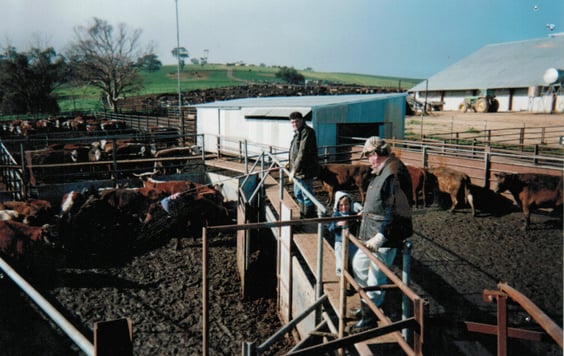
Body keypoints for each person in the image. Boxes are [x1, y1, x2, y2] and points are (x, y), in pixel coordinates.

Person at [349, 136, 413, 333]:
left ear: (375, 154)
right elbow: (381, 200)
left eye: (368, 156)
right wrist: (365, 211)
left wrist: (382, 236)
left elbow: (395, 209)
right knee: (359, 264)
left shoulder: (394, 173)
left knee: (376, 278)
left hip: (385, 236)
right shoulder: (383, 171)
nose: (368, 160)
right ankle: (367, 304)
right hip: (370, 230)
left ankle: (369, 317)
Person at [288, 111, 320, 219]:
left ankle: (309, 217)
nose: (295, 124)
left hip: (305, 170)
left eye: (296, 121)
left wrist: (293, 170)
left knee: (307, 195)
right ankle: (303, 214)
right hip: (298, 171)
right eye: (292, 122)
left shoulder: (307, 132)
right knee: (298, 194)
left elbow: (302, 152)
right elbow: (294, 152)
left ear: (302, 120)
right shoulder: (298, 133)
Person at [327, 191, 362, 277]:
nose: (344, 207)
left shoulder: (352, 214)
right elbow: (330, 228)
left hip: (352, 242)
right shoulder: (336, 215)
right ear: (337, 206)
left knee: (355, 259)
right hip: (340, 242)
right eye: (341, 205)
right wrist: (337, 224)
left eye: (346, 205)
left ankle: (353, 275)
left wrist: (359, 216)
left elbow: (360, 220)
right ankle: (341, 274)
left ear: (350, 204)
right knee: (340, 258)